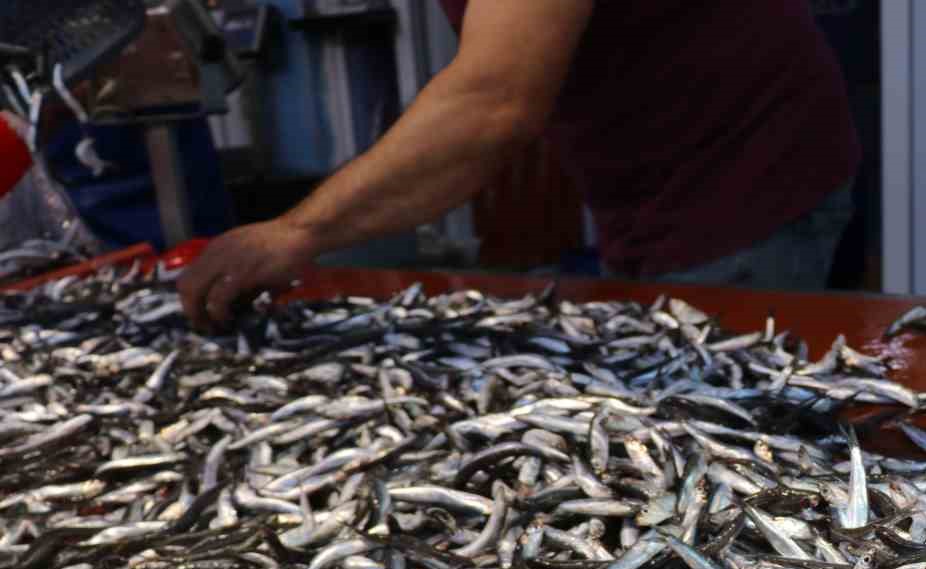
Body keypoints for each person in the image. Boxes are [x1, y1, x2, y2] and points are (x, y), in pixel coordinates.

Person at [179, 0, 858, 329]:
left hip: (740, 184)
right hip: (651, 180)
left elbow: (494, 104)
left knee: (723, 431)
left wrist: (297, 232)